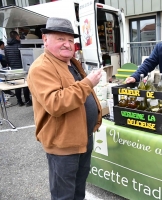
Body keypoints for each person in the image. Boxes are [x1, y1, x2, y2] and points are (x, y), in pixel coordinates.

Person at [27, 17, 103, 200]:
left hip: (82, 138)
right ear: (45, 39)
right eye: (60, 39)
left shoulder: (71, 62)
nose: (67, 44)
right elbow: (55, 103)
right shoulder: (41, 67)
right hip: (63, 143)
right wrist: (88, 83)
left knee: (78, 188)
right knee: (63, 194)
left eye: (70, 40)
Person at [4, 31, 31, 106]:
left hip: (13, 68)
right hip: (21, 67)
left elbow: (7, 59)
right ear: (16, 37)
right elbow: (23, 58)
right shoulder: (20, 45)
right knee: (25, 84)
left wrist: (11, 66)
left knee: (16, 85)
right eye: (18, 36)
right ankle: (27, 101)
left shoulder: (6, 47)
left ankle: (19, 101)